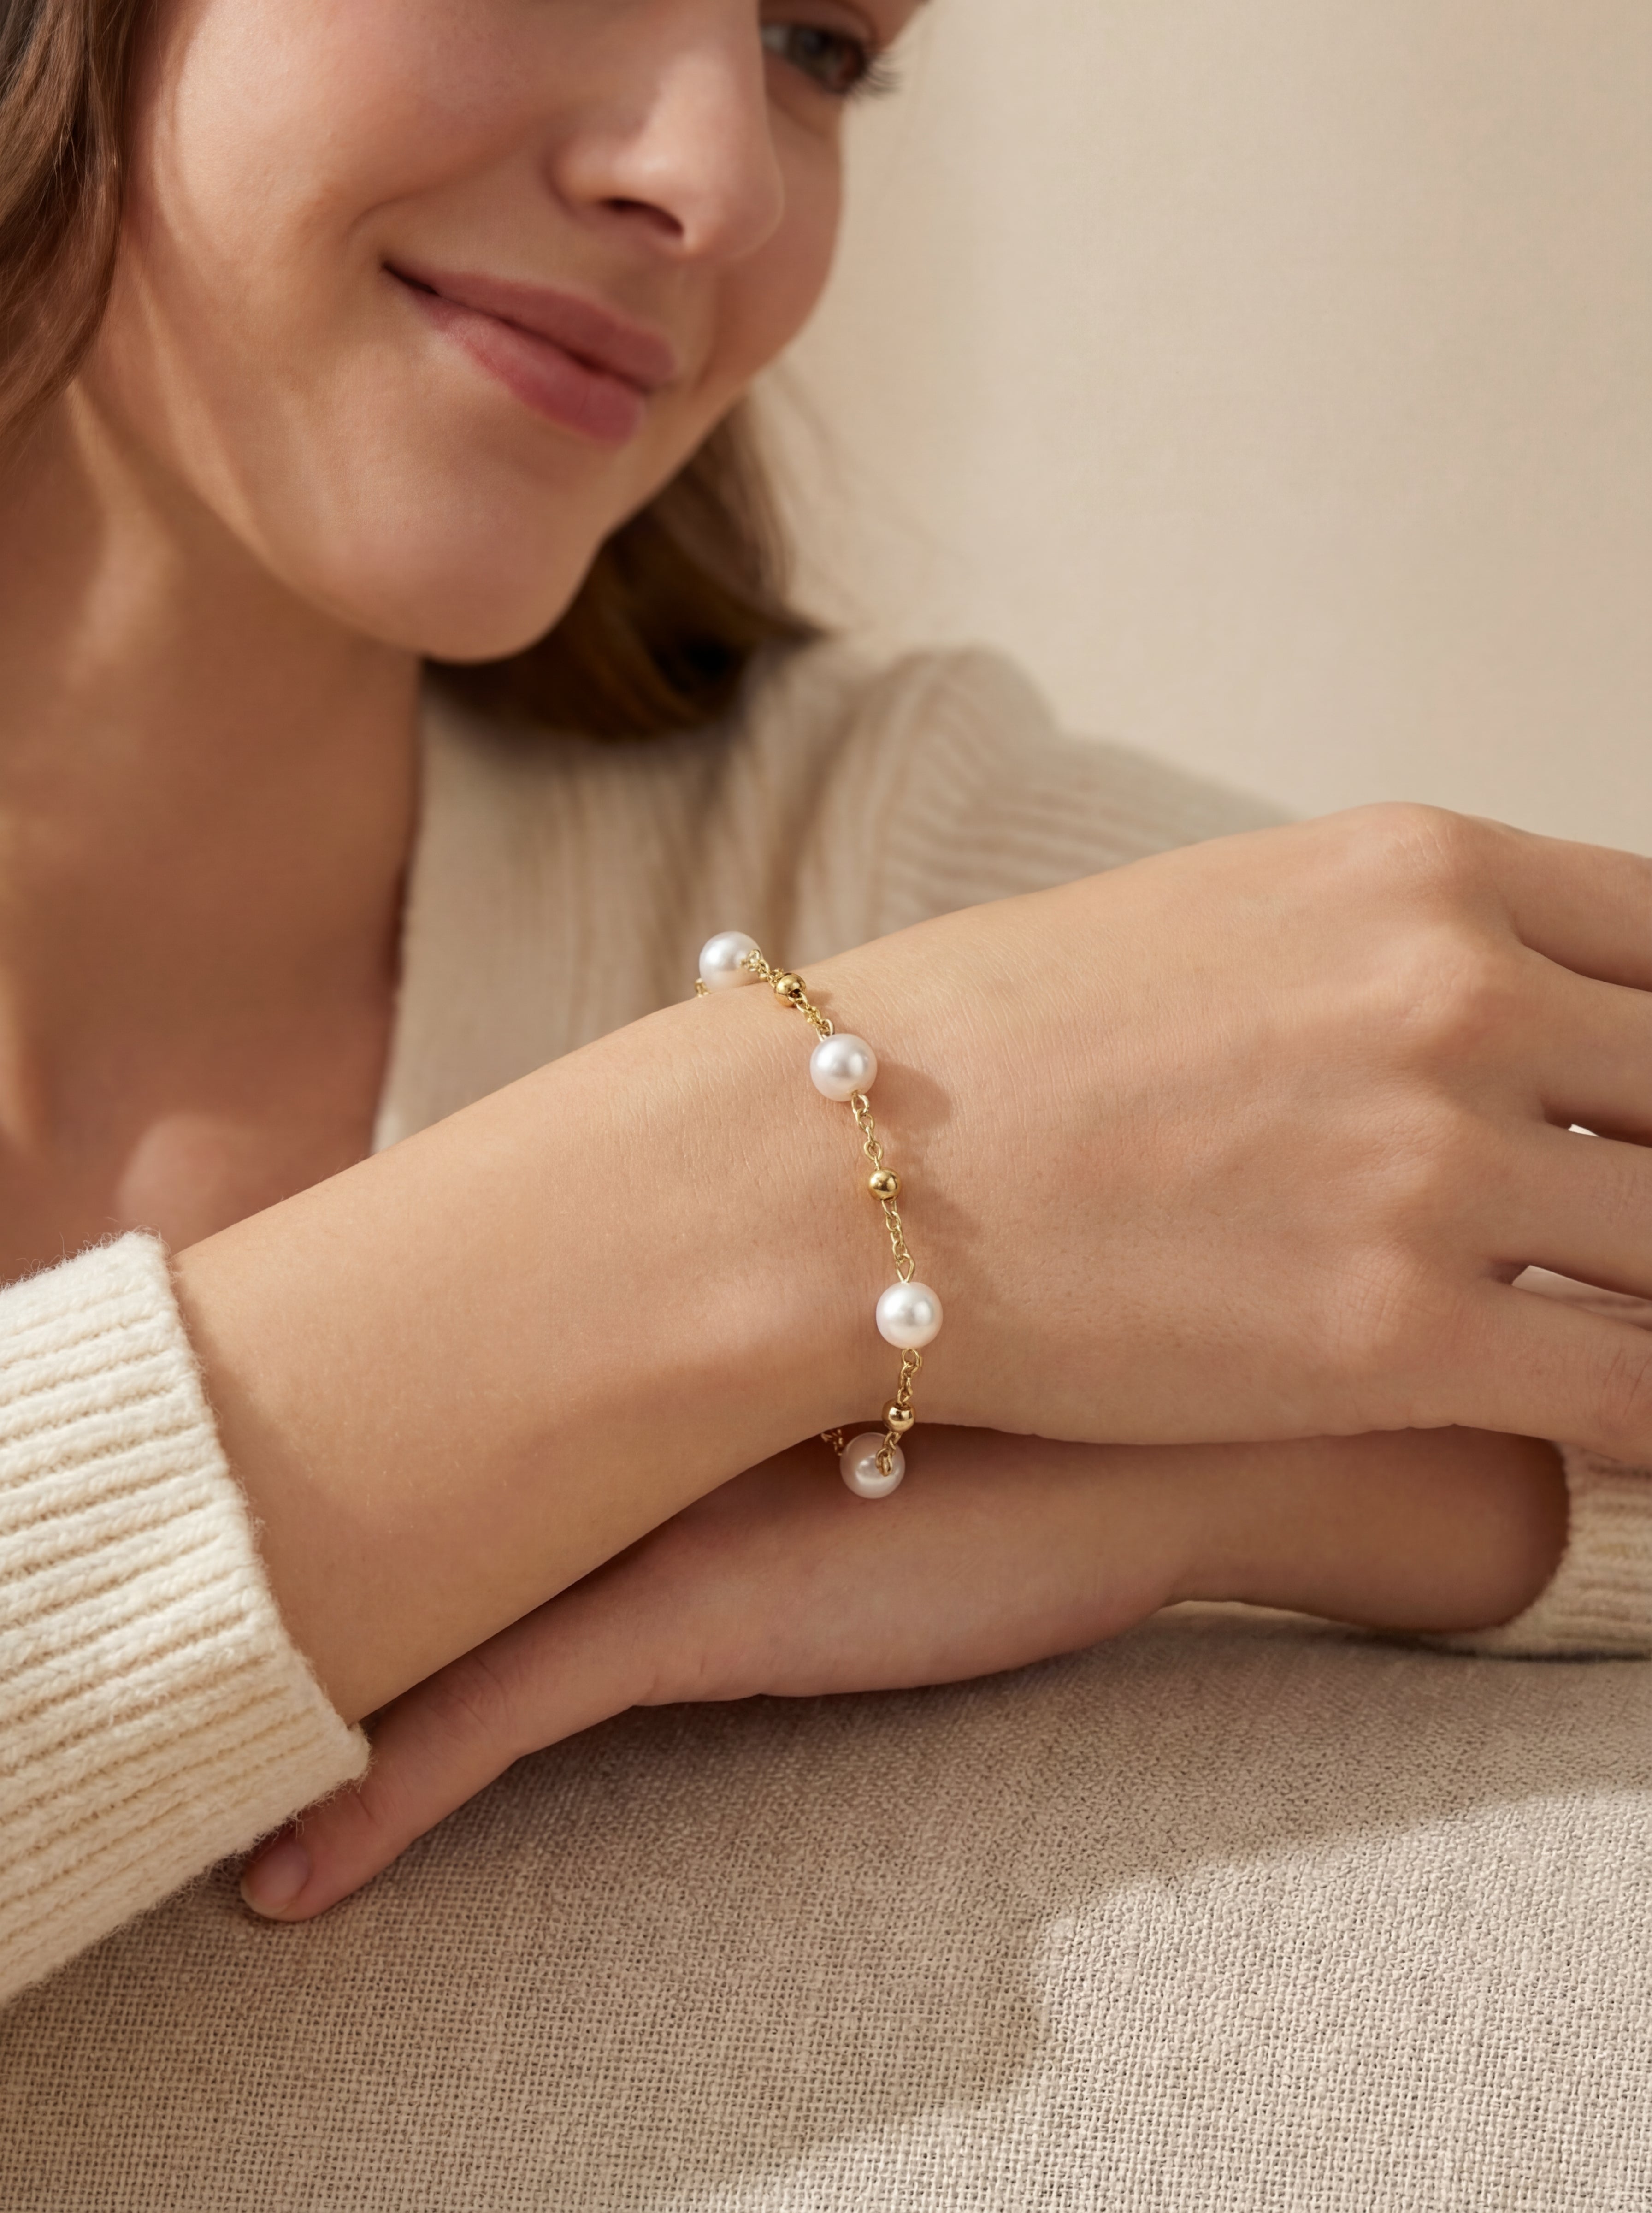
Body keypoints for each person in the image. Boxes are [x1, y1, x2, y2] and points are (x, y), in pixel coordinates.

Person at [2, 0, 1651, 2007]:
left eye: (818, 47)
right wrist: (766, 1214)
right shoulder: (919, 1057)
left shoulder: (889, 883)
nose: (721, 181)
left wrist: (1267, 1477)